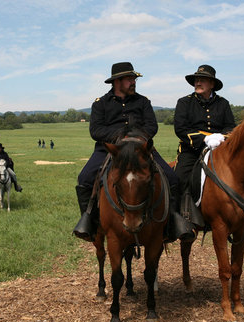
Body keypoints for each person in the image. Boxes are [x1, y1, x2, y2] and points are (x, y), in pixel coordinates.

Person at [73, 62, 178, 242]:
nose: (133, 82)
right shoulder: (100, 104)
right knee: (85, 178)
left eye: (134, 79)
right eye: (130, 79)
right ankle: (89, 222)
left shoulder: (143, 101)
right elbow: (96, 130)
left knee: (172, 178)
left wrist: (137, 139)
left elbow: (151, 126)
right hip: (111, 150)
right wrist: (118, 138)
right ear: (117, 81)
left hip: (141, 148)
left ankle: (173, 223)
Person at [172, 64, 236, 240]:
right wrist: (204, 139)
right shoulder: (184, 102)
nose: (198, 82)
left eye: (203, 80)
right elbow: (180, 128)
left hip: (219, 149)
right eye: (196, 80)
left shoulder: (223, 103)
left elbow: (231, 126)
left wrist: (221, 137)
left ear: (212, 84)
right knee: (179, 178)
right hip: (191, 150)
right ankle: (182, 221)